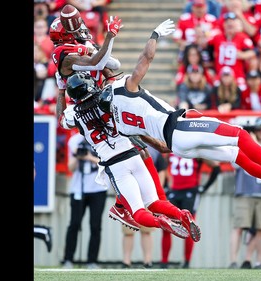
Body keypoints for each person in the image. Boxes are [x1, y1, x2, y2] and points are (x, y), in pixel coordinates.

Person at [64, 19, 261, 200]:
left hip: (177, 145)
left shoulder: (111, 118)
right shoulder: (121, 87)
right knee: (240, 135)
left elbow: (157, 145)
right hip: (178, 129)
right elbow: (145, 60)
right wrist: (154, 35)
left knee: (236, 155)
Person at [60, 19, 202, 243]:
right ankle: (182, 214)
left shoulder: (73, 114)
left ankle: (161, 222)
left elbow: (61, 118)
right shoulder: (110, 99)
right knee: (155, 202)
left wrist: (60, 92)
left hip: (115, 164)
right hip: (134, 154)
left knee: (139, 212)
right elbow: (128, 121)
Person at [50, 5, 170, 232]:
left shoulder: (80, 45)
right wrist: (107, 40)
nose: (81, 31)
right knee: (127, 139)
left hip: (99, 96)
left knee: (136, 146)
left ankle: (128, 203)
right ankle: (128, 204)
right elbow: (101, 64)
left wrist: (93, 49)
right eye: (75, 31)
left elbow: (111, 64)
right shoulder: (63, 54)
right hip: (92, 101)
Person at [228, 117, 261, 269]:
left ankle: (259, 261)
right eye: (258, 129)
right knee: (239, 227)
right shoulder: (243, 146)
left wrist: (253, 143)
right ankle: (233, 261)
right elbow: (233, 164)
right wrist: (245, 142)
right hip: (245, 192)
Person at [160, 153, 221, 269]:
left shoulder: (195, 151)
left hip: (190, 192)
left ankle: (187, 261)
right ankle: (164, 261)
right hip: (173, 192)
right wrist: (167, 185)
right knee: (166, 225)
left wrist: (204, 187)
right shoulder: (171, 148)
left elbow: (216, 167)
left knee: (189, 226)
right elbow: (162, 165)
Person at [62, 131, 107, 269]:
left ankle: (92, 261)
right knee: (74, 224)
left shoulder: (103, 138)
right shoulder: (74, 140)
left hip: (98, 189)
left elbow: (106, 162)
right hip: (78, 188)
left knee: (95, 226)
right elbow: (70, 167)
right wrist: (77, 156)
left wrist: (89, 157)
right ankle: (68, 259)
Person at [121, 145, 168, 269]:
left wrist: (154, 193)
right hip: (130, 195)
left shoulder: (152, 150)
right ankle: (126, 261)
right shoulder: (123, 148)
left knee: (146, 231)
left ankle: (147, 260)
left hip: (147, 197)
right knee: (128, 231)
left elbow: (161, 171)